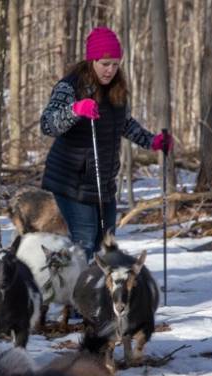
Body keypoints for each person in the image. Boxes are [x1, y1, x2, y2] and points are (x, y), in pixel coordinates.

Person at [39, 27, 172, 258]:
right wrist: (75, 110)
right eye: (104, 63)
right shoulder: (69, 87)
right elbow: (47, 124)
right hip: (71, 182)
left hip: (104, 183)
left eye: (115, 64)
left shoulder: (117, 89)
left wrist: (153, 141)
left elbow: (124, 124)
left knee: (106, 244)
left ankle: (99, 291)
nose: (110, 70)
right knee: (85, 241)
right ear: (92, 60)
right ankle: (77, 291)